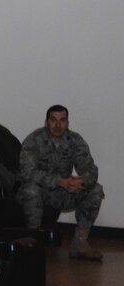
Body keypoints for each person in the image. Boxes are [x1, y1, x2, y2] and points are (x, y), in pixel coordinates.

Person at [16, 105, 104, 260]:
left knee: (95, 190)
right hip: (40, 192)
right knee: (31, 190)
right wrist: (59, 181)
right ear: (46, 122)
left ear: (67, 123)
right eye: (53, 120)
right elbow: (27, 174)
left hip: (62, 193)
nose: (58, 125)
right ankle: (32, 242)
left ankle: (80, 244)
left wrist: (81, 181)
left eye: (62, 121)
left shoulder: (75, 140)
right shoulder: (34, 140)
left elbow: (91, 170)